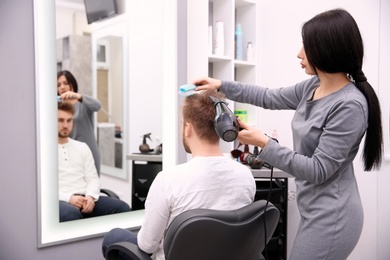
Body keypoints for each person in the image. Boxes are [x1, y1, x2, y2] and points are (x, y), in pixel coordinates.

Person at [193, 8, 383, 260]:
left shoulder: (349, 105)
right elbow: (269, 96)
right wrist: (222, 86)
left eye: (307, 46)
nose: (299, 53)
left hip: (333, 216)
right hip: (313, 210)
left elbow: (318, 169)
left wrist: (264, 143)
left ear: (327, 50)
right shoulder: (313, 86)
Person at [101, 90, 256, 259]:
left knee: (113, 237)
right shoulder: (245, 175)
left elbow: (147, 245)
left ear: (187, 128)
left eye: (182, 123)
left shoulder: (169, 180)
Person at [58, 101, 131, 222]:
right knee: (70, 214)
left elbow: (93, 178)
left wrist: (90, 197)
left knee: (122, 208)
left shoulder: (82, 147)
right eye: (60, 120)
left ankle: (114, 240)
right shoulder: (44, 151)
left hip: (85, 197)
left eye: (69, 120)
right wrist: (69, 198)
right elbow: (43, 188)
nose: (65, 125)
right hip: (61, 200)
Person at [57, 70, 102, 174]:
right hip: (68, 154)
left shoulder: (83, 103)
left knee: (91, 184)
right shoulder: (57, 108)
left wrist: (78, 96)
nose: (62, 87)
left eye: (66, 83)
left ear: (72, 84)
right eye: (58, 85)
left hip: (89, 152)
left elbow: (97, 105)